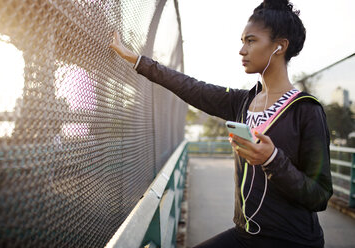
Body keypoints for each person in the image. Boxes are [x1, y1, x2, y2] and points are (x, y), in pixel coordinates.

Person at [109, 0, 333, 247]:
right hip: (245, 236)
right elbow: (190, 86)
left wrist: (272, 160)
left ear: (279, 46)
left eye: (251, 40)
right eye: (242, 41)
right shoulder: (242, 102)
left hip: (294, 241)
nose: (242, 50)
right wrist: (137, 60)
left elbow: (320, 195)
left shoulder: (307, 110)